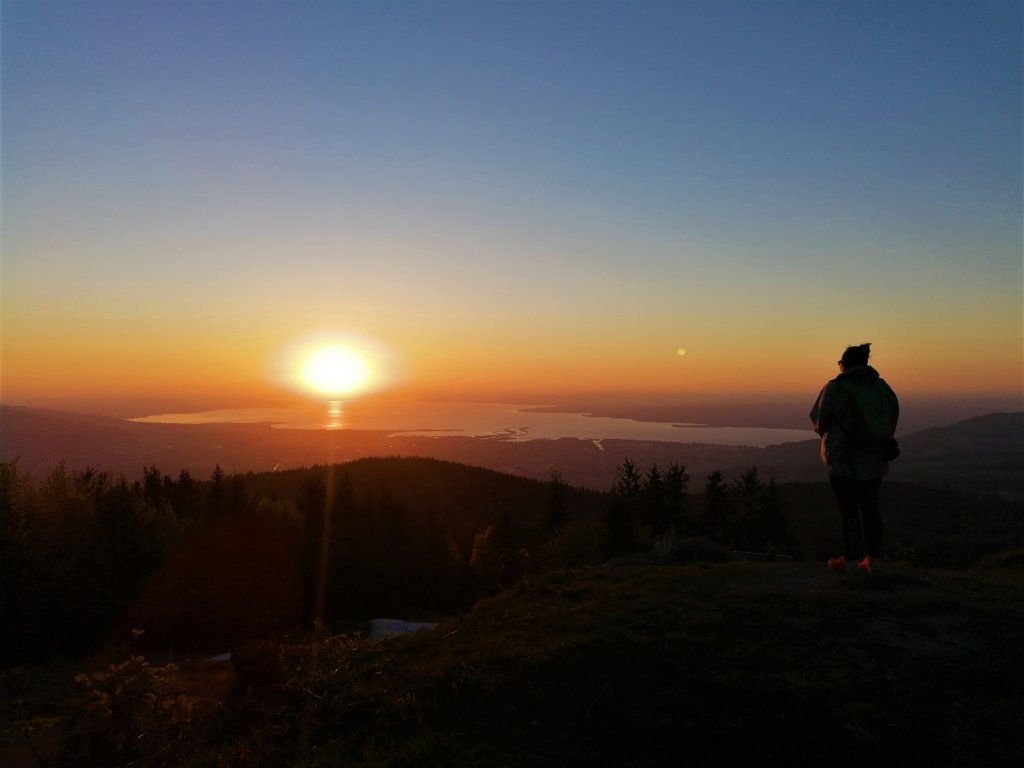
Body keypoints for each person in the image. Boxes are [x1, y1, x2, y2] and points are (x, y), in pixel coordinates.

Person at [810, 342, 899, 574]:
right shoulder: (882, 388)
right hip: (874, 460)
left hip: (843, 460)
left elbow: (818, 421)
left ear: (845, 364)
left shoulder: (836, 388)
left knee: (849, 510)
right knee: (871, 509)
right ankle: (874, 560)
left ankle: (850, 560)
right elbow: (892, 418)